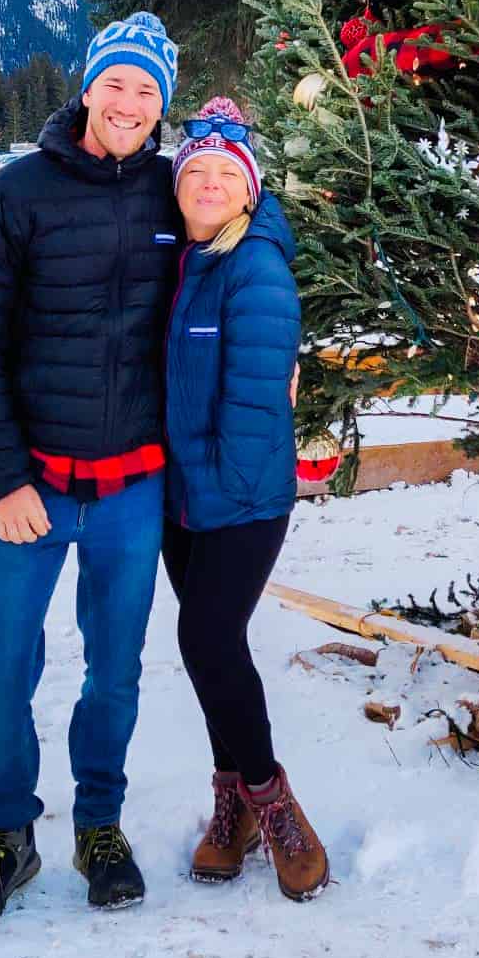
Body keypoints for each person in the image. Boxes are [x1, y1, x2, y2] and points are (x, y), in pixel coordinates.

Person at [0, 11, 181, 928]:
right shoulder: (17, 194)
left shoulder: (174, 195)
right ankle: (6, 831)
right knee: (3, 666)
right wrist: (1, 481)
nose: (128, 103)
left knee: (114, 669)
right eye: (115, 83)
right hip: (30, 484)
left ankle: (100, 822)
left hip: (133, 490)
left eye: (147, 90)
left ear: (163, 105)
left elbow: (244, 238)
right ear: (88, 86)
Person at [164, 96, 328, 901]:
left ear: (251, 192)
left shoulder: (255, 267)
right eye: (197, 171)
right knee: (210, 653)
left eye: (227, 174)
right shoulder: (178, 261)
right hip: (178, 495)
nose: (210, 185)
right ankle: (226, 799)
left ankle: (270, 800)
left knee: (206, 638)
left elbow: (255, 402)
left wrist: (214, 496)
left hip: (241, 496)